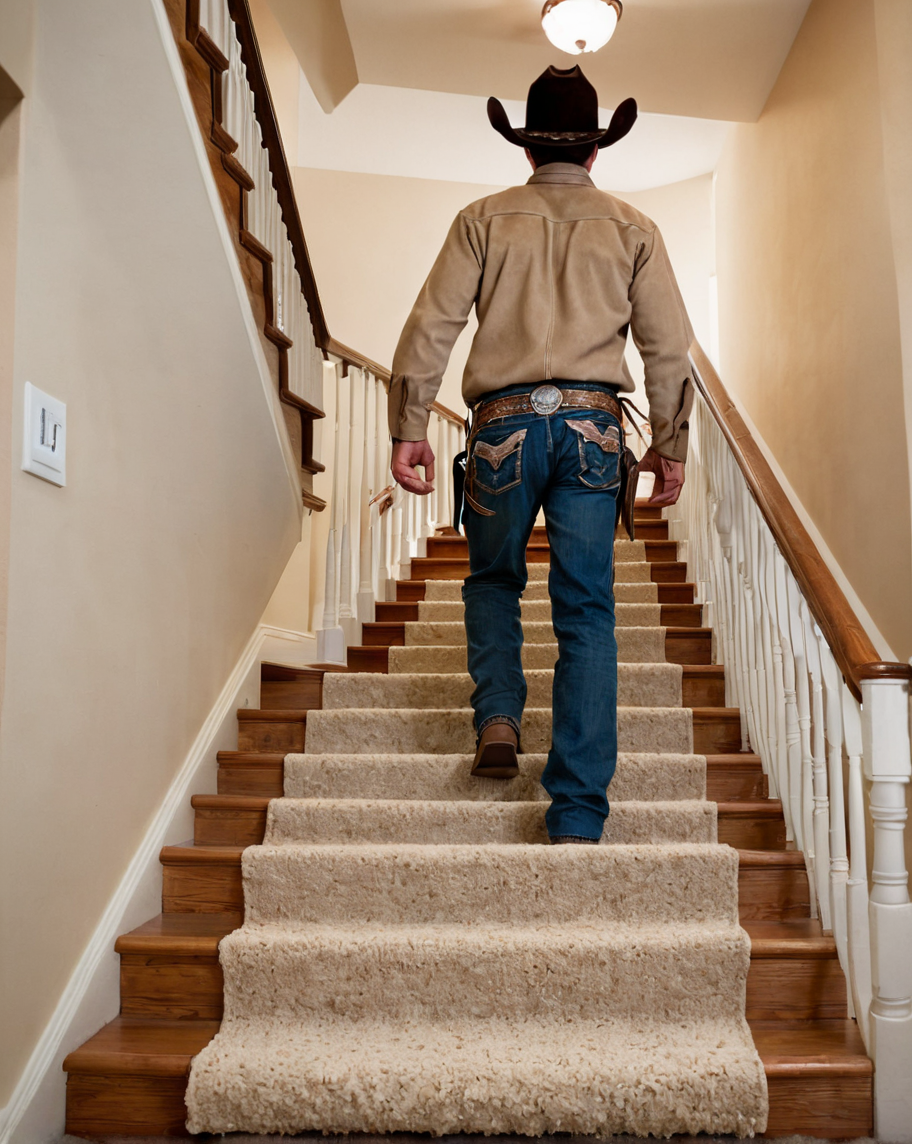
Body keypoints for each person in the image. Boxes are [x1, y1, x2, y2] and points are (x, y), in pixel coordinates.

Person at [388, 65, 693, 844]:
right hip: (593, 431)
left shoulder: (482, 219)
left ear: (527, 150)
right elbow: (668, 349)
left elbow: (431, 327)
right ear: (595, 150)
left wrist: (409, 425)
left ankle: (498, 716)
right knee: (586, 609)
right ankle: (578, 811)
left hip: (503, 427)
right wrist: (670, 444)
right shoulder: (634, 228)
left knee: (494, 578)